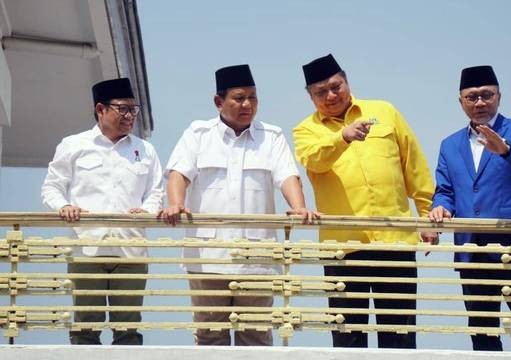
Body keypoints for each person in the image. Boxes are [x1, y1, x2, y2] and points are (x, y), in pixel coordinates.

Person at [158, 64, 317, 346]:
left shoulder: (272, 136)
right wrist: (176, 205)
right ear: (219, 102)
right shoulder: (198, 134)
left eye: (253, 98)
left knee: (255, 337)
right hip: (207, 258)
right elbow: (178, 174)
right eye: (239, 98)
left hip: (257, 260)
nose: (248, 105)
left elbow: (288, 176)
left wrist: (299, 206)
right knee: (210, 337)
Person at [292, 54, 437, 348]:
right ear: (310, 97)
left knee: (400, 337)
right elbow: (314, 161)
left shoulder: (384, 111)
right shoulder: (305, 130)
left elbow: (414, 165)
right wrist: (342, 137)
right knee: (348, 337)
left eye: (336, 86)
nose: (331, 96)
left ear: (347, 81)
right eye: (321, 92)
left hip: (394, 240)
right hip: (342, 248)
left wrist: (426, 213)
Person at [428, 65, 511, 352]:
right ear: (461, 102)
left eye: (486, 95)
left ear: (499, 96)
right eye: (472, 97)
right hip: (471, 246)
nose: (480, 102)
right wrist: (440, 209)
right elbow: (446, 191)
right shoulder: (449, 144)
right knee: (482, 330)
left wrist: (507, 150)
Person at [41, 78, 163, 345]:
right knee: (85, 327)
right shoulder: (74, 145)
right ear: (100, 109)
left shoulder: (145, 150)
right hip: (86, 247)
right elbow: (52, 187)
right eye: (123, 109)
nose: (130, 116)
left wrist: (146, 210)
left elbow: (156, 191)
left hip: (131, 248)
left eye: (134, 109)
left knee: (128, 329)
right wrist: (64, 206)